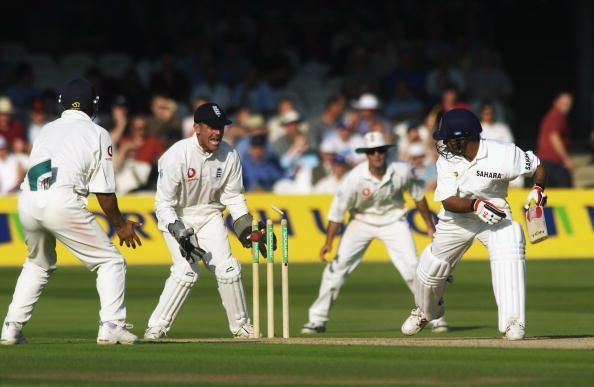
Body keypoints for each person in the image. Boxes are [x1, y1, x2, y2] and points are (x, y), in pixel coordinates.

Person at [1, 78, 142, 345]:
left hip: (28, 200)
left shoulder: (45, 129)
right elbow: (104, 193)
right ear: (94, 106)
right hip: (62, 200)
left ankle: (11, 328)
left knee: (37, 263)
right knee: (110, 261)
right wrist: (120, 224)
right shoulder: (98, 133)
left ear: (61, 104)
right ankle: (112, 325)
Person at [401, 108, 547, 341]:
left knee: (510, 237)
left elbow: (538, 167)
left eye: (448, 139)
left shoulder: (504, 154)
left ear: (463, 137)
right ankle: (426, 311)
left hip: (495, 212)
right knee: (432, 267)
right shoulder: (446, 161)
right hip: (457, 218)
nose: (444, 144)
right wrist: (475, 205)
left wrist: (537, 191)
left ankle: (512, 322)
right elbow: (448, 202)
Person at [144, 102, 275, 340]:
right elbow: (163, 204)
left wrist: (246, 226)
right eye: (211, 127)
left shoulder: (230, 155)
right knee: (187, 272)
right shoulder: (176, 155)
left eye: (221, 127)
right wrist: (179, 231)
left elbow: (233, 196)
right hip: (178, 216)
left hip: (210, 215)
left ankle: (242, 327)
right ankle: (157, 327)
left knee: (229, 269)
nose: (217, 132)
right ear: (196, 127)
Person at [302, 132, 449, 334]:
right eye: (372, 152)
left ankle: (432, 316)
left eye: (380, 150)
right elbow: (337, 213)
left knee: (412, 268)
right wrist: (328, 242)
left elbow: (418, 197)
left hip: (394, 220)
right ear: (366, 155)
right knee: (337, 269)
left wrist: (429, 226)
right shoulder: (353, 178)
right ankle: (316, 319)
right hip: (361, 221)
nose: (377, 155)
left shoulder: (402, 171)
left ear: (386, 152)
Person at [536, 92, 574, 187]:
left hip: (548, 162)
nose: (566, 106)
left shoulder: (557, 116)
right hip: (551, 161)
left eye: (568, 104)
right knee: (566, 190)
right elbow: (554, 137)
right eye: (563, 103)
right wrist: (566, 159)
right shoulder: (556, 116)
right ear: (556, 102)